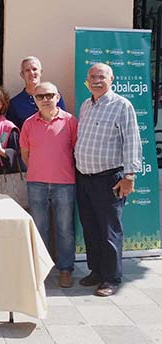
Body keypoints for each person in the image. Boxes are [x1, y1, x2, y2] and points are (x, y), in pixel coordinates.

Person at [75, 63, 142, 296]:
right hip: (84, 178)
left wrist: (130, 176)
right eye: (92, 76)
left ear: (111, 79)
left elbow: (132, 141)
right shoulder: (86, 105)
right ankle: (96, 271)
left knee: (110, 231)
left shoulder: (122, 105)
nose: (96, 80)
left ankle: (111, 278)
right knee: (91, 228)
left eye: (101, 76)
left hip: (109, 180)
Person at [20, 82, 78, 288]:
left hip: (64, 183)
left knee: (64, 228)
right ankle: (40, 270)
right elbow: (25, 154)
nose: (45, 99)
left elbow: (75, 149)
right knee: (39, 228)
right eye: (40, 96)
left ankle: (65, 269)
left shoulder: (70, 121)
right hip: (36, 182)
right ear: (34, 100)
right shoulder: (28, 123)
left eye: (49, 95)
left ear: (57, 96)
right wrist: (39, 168)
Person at [7, 56, 66, 129]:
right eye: (27, 70)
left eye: (34, 69)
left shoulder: (53, 96)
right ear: (22, 75)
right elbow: (10, 130)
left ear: (40, 72)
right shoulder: (15, 103)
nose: (31, 73)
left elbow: (64, 123)